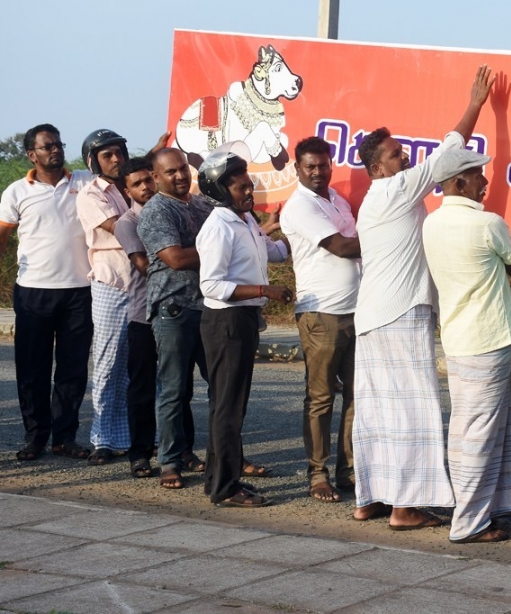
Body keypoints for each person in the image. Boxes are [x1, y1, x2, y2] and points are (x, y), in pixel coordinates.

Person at [351, 65, 495, 529]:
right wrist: (476, 104)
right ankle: (403, 508)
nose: (404, 158)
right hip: (400, 313)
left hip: (376, 313)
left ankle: (369, 497)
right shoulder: (392, 190)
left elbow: (440, 156)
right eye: (395, 155)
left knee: (377, 411)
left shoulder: (387, 194)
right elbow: (447, 156)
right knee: (413, 408)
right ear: (377, 169)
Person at [422, 150, 511, 544]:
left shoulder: (432, 223)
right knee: (481, 433)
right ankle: (469, 522)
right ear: (457, 183)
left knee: (470, 429)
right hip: (488, 339)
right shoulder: (488, 223)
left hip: (459, 338)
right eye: (477, 177)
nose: (484, 183)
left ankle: (487, 509)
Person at [197, 151, 291, 508]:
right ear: (220, 190)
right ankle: (226, 488)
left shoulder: (245, 220)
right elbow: (212, 285)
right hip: (226, 322)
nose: (249, 191)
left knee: (229, 404)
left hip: (244, 319)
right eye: (240, 187)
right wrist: (265, 291)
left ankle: (218, 480)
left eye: (249, 184)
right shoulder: (218, 227)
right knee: (228, 406)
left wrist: (302, 230)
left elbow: (276, 252)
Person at [0, 124, 94, 462]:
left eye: (58, 144)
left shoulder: (84, 181)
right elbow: (2, 239)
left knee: (72, 369)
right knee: (32, 368)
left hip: (79, 292)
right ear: (32, 154)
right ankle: (35, 437)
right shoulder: (15, 192)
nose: (55, 150)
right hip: (33, 294)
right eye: (47, 146)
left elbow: (120, 174)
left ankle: (64, 438)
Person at [280, 136, 361, 504]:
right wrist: (389, 236)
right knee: (321, 398)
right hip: (321, 314)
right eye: (310, 166)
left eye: (323, 165)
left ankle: (350, 471)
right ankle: (318, 474)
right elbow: (342, 247)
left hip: (357, 310)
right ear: (297, 169)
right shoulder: (299, 207)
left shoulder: (337, 200)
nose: (317, 172)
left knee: (358, 396)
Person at [138, 147, 214, 489]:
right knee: (173, 390)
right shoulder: (155, 211)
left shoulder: (203, 205)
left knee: (221, 389)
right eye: (171, 172)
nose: (181, 175)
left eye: (183, 168)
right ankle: (169, 462)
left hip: (211, 307)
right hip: (174, 309)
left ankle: (226, 457)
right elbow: (176, 258)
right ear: (156, 177)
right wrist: (219, 250)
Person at [75, 129, 133, 465]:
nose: (116, 159)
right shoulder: (90, 194)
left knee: (143, 365)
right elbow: (121, 227)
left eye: (119, 152)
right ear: (93, 161)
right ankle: (103, 438)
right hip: (111, 283)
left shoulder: (135, 186)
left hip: (142, 283)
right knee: (108, 364)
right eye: (107, 155)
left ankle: (144, 434)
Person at [114, 157, 159, 478]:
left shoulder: (174, 209)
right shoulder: (128, 223)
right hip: (143, 316)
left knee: (180, 388)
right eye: (137, 183)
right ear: (126, 189)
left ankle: (182, 451)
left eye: (148, 180)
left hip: (181, 313)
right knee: (142, 388)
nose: (145, 187)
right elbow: (144, 265)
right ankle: (140, 454)